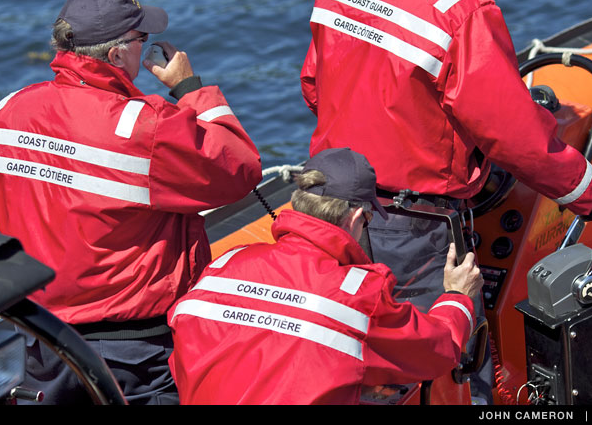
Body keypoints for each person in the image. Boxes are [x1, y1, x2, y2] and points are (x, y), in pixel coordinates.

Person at [299, 0, 592, 401]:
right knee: (444, 356)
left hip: (328, 203)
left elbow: (314, 86)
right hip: (414, 226)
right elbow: (515, 136)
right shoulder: (463, 14)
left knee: (355, 347)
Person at [0, 0, 262, 404]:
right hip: (134, 348)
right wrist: (189, 89)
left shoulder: (9, 110)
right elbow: (239, 166)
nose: (146, 44)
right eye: (141, 38)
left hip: (42, 338)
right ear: (116, 54)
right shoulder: (143, 126)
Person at [167, 147, 484, 404]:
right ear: (358, 217)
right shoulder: (359, 297)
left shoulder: (224, 265)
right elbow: (438, 348)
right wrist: (457, 297)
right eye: (369, 219)